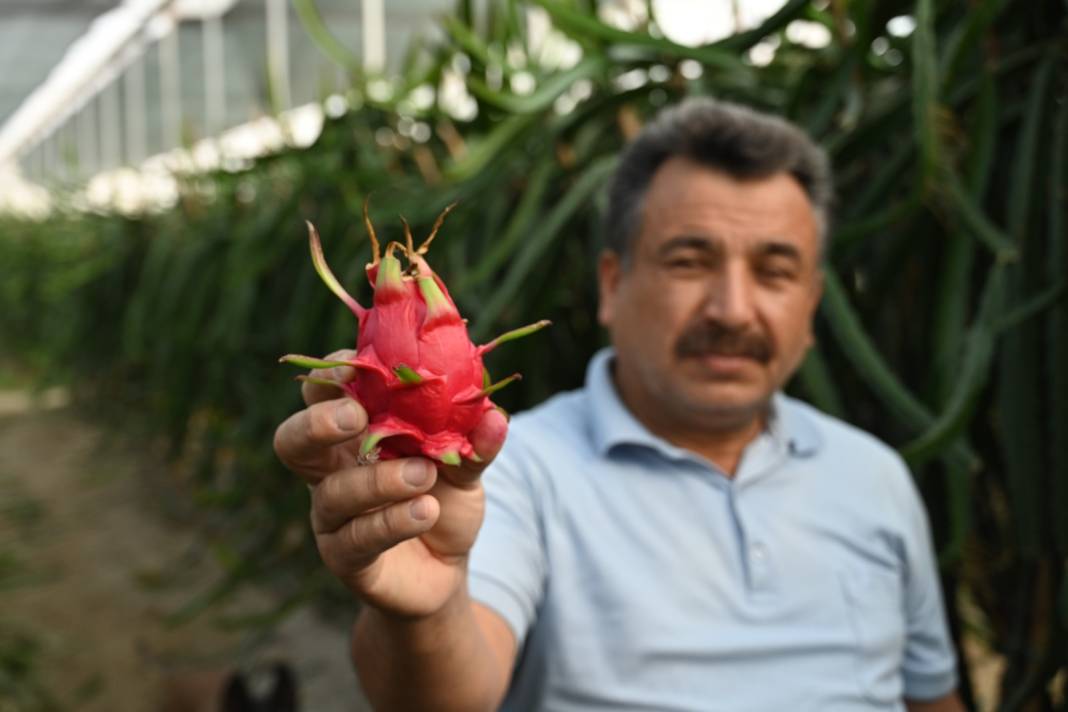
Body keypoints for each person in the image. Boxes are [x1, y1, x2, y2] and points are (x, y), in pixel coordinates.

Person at [273, 98, 964, 712]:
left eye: (775, 272)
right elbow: (454, 693)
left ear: (812, 307)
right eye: (689, 262)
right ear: (611, 285)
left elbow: (932, 697)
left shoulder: (876, 477)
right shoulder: (507, 469)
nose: (732, 309)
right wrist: (423, 615)